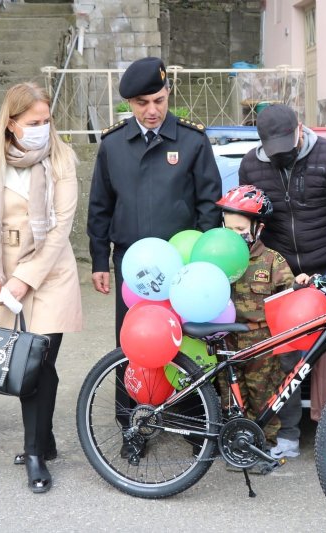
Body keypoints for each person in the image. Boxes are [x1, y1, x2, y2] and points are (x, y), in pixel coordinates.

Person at [86, 57, 222, 459]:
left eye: (160, 100)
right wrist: (98, 260)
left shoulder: (193, 141)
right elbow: (100, 208)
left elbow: (208, 205)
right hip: (132, 269)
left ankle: (193, 420)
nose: (153, 109)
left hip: (181, 268)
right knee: (134, 345)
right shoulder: (113, 145)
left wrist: (203, 260)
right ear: (130, 103)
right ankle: (134, 424)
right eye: (143, 102)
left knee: (188, 345)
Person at [0, 82, 82, 493]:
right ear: (11, 123)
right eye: (34, 122)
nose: (43, 129)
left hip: (48, 272)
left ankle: (33, 453)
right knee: (18, 362)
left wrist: (22, 279)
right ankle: (44, 439)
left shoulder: (61, 157)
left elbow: (61, 227)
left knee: (39, 362)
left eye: (47, 121)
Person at [238, 104, 326, 461]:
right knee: (286, 352)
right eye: (272, 148)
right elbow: (249, 221)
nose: (281, 153)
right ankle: (288, 434)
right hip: (283, 273)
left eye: (287, 143)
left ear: (300, 129)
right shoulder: (251, 164)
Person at [216, 185, 296, 456]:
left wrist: (302, 286)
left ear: (258, 228)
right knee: (231, 399)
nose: (234, 236)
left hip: (261, 344)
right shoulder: (215, 259)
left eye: (240, 229)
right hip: (225, 341)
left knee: (264, 397)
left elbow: (290, 300)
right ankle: (235, 447)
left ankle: (264, 446)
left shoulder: (272, 262)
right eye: (228, 229)